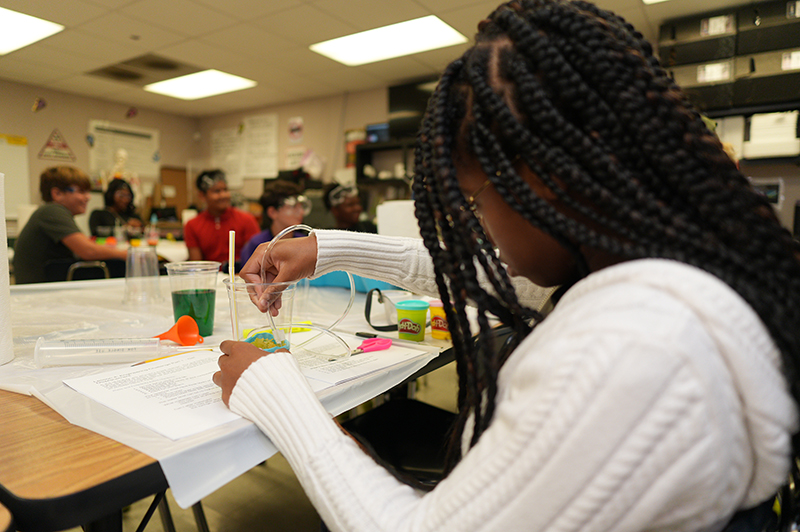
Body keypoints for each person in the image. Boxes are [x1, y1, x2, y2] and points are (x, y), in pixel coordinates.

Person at [213, 2, 800, 531]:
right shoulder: (651, 264)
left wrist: (273, 388)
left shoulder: (635, 348)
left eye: (477, 196)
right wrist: (325, 250)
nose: (480, 221)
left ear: (545, 181)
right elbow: (480, 271)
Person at [14, 166, 129, 284]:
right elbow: (88, 251)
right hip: (39, 293)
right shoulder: (52, 211)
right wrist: (127, 255)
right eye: (81, 191)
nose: (88, 197)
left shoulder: (51, 212)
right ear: (57, 193)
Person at [183, 169, 259, 265]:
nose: (223, 195)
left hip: (241, 276)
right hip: (210, 276)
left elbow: (255, 259)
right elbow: (197, 265)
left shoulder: (247, 220)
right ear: (202, 196)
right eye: (217, 191)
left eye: (225, 190)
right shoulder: (192, 225)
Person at [239, 180, 310, 264]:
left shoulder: (304, 242)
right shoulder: (258, 244)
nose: (301, 212)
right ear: (272, 212)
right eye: (293, 206)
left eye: (301, 207)